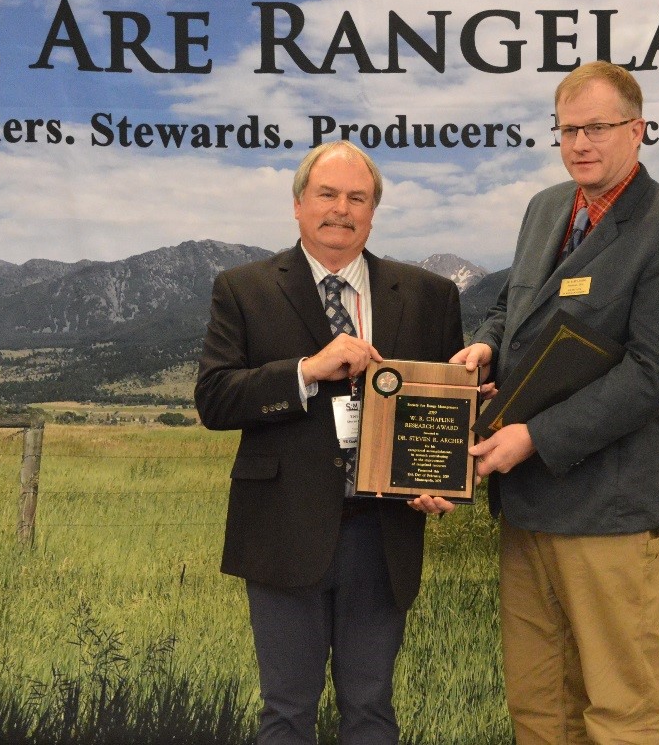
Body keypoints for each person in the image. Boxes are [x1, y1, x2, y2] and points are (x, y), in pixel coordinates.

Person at [452, 61, 659, 745]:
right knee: (540, 707)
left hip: (609, 510)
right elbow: (512, 303)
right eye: (567, 129)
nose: (579, 143)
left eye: (596, 127)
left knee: (622, 711)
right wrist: (484, 345)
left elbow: (657, 372)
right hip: (528, 508)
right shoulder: (547, 208)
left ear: (638, 129)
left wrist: (533, 436)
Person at [194, 140, 463, 745]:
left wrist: (438, 480)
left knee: (371, 708)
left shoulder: (429, 296)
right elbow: (214, 399)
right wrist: (308, 370)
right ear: (297, 205)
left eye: (357, 198)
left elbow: (445, 415)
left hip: (384, 532)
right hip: (282, 530)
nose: (341, 209)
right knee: (286, 712)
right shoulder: (244, 288)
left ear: (373, 211)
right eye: (327, 194)